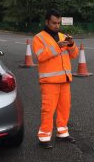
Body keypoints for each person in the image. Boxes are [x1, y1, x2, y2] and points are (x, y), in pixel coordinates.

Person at [33, 9, 79, 149]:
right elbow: (41, 56)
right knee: (48, 109)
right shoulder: (38, 38)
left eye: (59, 23)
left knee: (64, 108)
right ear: (47, 22)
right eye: (54, 23)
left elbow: (74, 55)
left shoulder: (62, 36)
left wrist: (71, 44)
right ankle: (44, 137)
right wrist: (57, 46)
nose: (57, 25)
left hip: (64, 80)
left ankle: (62, 133)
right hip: (49, 82)